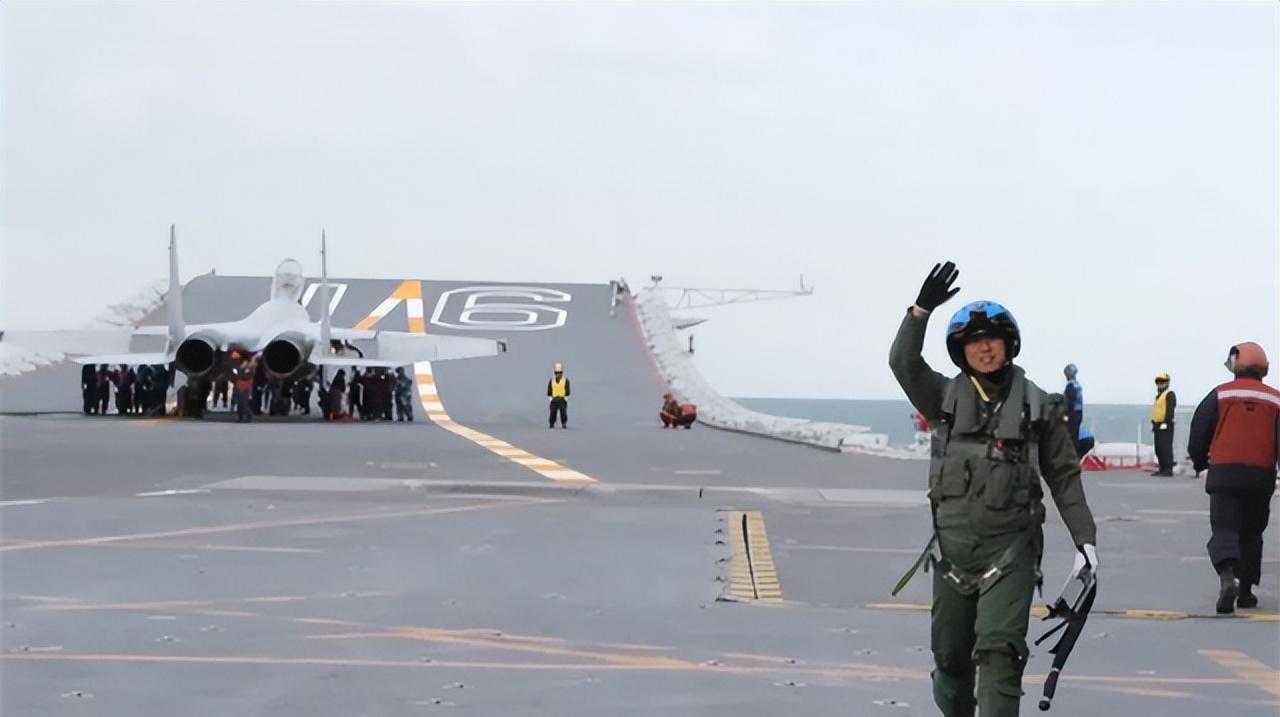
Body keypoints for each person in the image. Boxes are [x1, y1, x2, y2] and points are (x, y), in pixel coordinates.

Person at [889, 262, 1097, 717]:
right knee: (950, 660)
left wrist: (1086, 541)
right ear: (960, 351)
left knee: (1000, 652)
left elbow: (1064, 477)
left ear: (1009, 344)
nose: (984, 347)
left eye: (992, 339)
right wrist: (920, 311)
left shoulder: (1041, 407)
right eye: (973, 341)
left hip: (1011, 552)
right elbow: (903, 363)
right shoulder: (942, 398)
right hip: (952, 553)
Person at [1188, 342, 1280, 614]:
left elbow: (1199, 430)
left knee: (1225, 529)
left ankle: (1227, 577)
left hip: (1224, 475)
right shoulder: (1275, 400)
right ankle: (1246, 592)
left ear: (1235, 366)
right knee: (1252, 533)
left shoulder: (1219, 395)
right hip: (1260, 477)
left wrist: (1199, 461)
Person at [1151, 372, 1177, 476]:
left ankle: (1168, 469)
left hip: (1165, 425)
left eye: (1162, 382)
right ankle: (1162, 468)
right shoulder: (1158, 396)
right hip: (1157, 425)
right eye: (1158, 382)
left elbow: (1170, 410)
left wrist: (1166, 422)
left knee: (1165, 447)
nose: (1160, 384)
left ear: (1167, 383)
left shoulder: (1169, 394)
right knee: (1158, 448)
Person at [1063, 364, 1084, 456]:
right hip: (1079, 413)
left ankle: (1071, 455)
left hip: (1073, 414)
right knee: (1075, 435)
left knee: (1071, 435)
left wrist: (1066, 414)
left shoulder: (1071, 386)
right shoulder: (1077, 385)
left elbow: (1070, 402)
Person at [230, 357, 256, 423]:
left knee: (244, 403)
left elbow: (245, 376)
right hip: (239, 386)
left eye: (244, 363)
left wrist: (240, 372)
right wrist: (240, 370)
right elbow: (236, 375)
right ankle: (240, 417)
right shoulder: (241, 369)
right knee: (239, 404)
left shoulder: (249, 369)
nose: (243, 364)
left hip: (245, 387)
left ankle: (249, 416)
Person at [547, 362, 570, 429]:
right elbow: (549, 390)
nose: (558, 374)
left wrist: (565, 399)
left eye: (559, 373)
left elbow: (567, 390)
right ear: (554, 373)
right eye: (557, 373)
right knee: (552, 412)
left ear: (562, 373)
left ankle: (564, 423)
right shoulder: (552, 380)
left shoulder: (565, 380)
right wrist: (551, 399)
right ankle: (551, 423)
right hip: (554, 399)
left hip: (562, 399)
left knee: (563, 411)